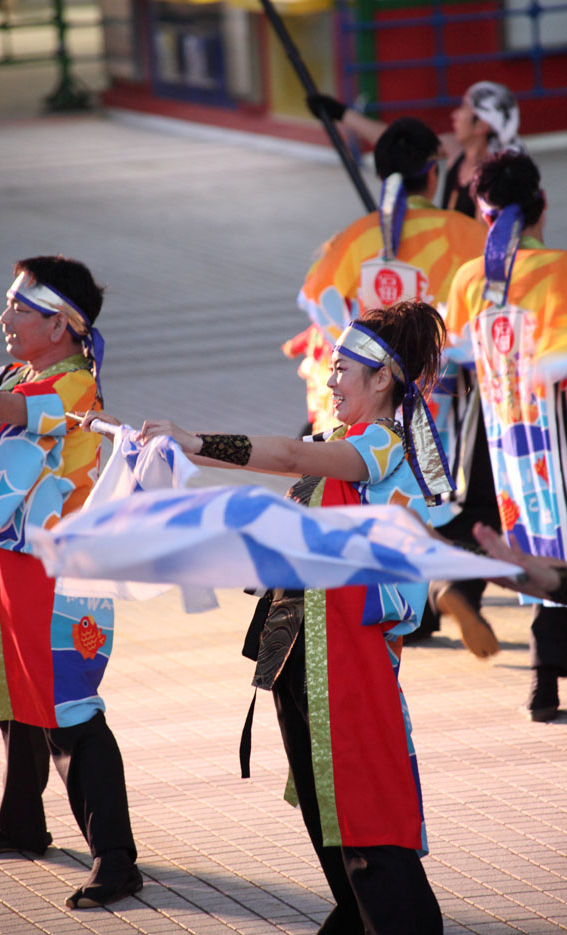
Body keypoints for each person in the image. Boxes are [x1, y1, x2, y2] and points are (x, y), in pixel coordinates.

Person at [110, 300, 449, 934]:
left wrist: (193, 442)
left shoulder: (383, 444)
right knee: (330, 805)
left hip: (349, 658)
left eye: (342, 367)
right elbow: (288, 464)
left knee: (365, 809)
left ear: (381, 379)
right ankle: (355, 917)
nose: (329, 379)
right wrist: (172, 451)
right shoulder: (347, 441)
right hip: (304, 649)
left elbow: (290, 457)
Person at [0, 255, 142, 909]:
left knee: (72, 713)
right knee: (9, 689)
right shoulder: (23, 371)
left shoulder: (73, 388)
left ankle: (116, 856)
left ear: (61, 324)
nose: (3, 316)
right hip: (2, 558)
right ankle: (22, 820)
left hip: (60, 573)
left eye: (18, 307)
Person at [287, 116, 499, 657]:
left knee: (363, 508)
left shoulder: (350, 240)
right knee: (426, 504)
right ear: (433, 174)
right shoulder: (469, 234)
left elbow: (315, 305)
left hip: (357, 405)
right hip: (439, 403)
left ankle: (393, 605)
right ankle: (434, 590)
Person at [446, 151, 567, 722]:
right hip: (558, 437)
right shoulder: (560, 269)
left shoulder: (471, 279)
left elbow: (452, 363)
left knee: (530, 545)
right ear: (541, 208)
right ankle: (545, 680)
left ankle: (541, 683)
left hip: (503, 440)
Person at [308, 81, 522, 218]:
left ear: (481, 125)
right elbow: (399, 141)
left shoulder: (492, 177)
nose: (455, 115)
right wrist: (341, 113)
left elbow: (482, 241)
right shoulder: (457, 150)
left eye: (464, 108)